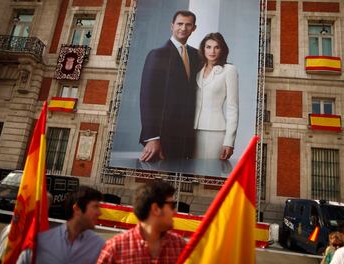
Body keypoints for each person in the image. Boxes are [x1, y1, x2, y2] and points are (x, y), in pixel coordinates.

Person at [139, 10, 200, 162]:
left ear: (194, 28)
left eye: (188, 25)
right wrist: (152, 137)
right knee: (160, 183)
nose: (183, 28)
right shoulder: (157, 54)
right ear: (171, 26)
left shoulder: (197, 56)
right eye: (179, 24)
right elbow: (147, 98)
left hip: (188, 137)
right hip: (163, 136)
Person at [97, 180, 185, 263]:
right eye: (172, 205)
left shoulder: (179, 245)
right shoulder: (115, 248)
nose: (175, 212)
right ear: (155, 209)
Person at [17, 186, 105, 264]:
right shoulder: (41, 241)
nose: (99, 213)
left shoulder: (100, 246)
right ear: (77, 209)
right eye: (95, 207)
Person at [193, 32, 239, 160]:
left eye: (216, 47)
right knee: (190, 175)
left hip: (214, 131)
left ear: (222, 49)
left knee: (207, 174)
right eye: (208, 47)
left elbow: (232, 107)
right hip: (191, 130)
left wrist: (229, 141)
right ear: (203, 49)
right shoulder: (197, 70)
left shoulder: (229, 70)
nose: (212, 51)